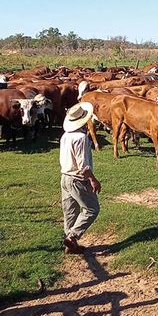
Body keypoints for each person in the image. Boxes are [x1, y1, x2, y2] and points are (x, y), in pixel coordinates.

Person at [59, 102, 101, 254]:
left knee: (70, 211)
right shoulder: (81, 138)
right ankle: (72, 237)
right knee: (92, 209)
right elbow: (83, 164)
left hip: (65, 176)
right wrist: (93, 179)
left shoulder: (66, 135)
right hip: (77, 178)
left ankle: (70, 244)